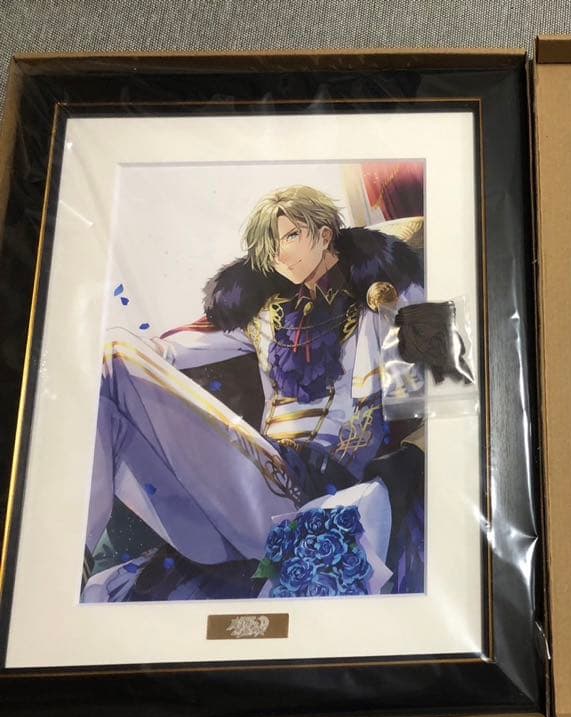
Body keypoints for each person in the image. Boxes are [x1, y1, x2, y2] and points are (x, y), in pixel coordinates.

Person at [82, 185, 426, 602]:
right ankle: (75, 553)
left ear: (324, 235)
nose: (280, 254)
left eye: (291, 236)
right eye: (271, 244)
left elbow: (440, 377)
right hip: (264, 476)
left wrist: (394, 295)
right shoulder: (265, 314)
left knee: (115, 356)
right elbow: (171, 348)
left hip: (324, 483)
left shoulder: (377, 298)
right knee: (112, 357)